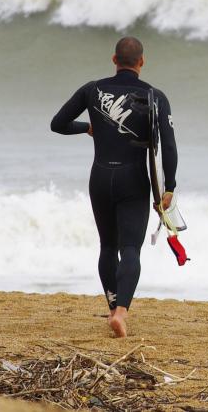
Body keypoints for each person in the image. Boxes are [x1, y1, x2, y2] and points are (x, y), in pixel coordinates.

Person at [50, 36, 178, 338]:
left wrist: (87, 127)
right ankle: (121, 313)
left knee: (107, 247)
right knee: (130, 249)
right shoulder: (155, 96)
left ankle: (111, 306)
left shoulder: (91, 90)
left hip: (100, 177)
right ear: (142, 62)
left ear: (114, 60)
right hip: (134, 180)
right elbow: (169, 147)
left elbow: (58, 123)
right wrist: (169, 186)